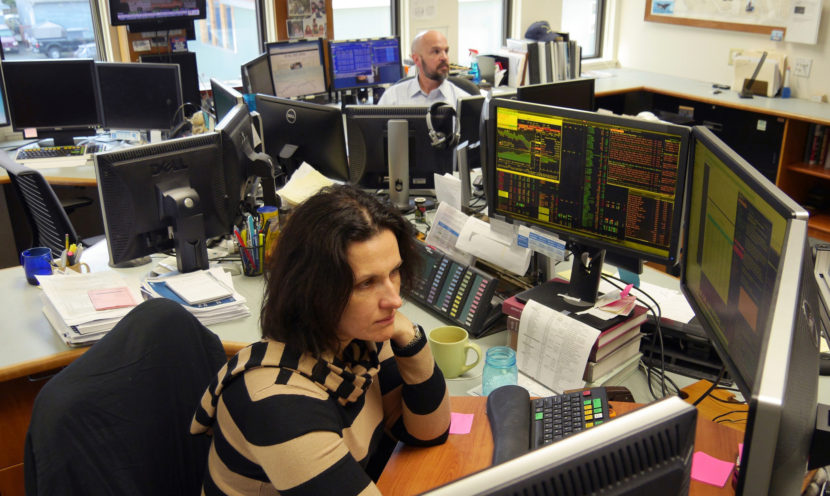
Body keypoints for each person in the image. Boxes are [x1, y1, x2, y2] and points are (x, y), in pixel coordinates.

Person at [191, 185, 451, 495]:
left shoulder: (357, 339)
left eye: (394, 272)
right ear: (315, 290)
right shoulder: (278, 402)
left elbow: (427, 432)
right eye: (367, 283)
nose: (394, 299)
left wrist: (409, 337)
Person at [377, 29, 471, 106]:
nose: (444, 57)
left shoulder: (463, 101)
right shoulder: (392, 98)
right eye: (436, 52)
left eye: (446, 51)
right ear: (416, 59)